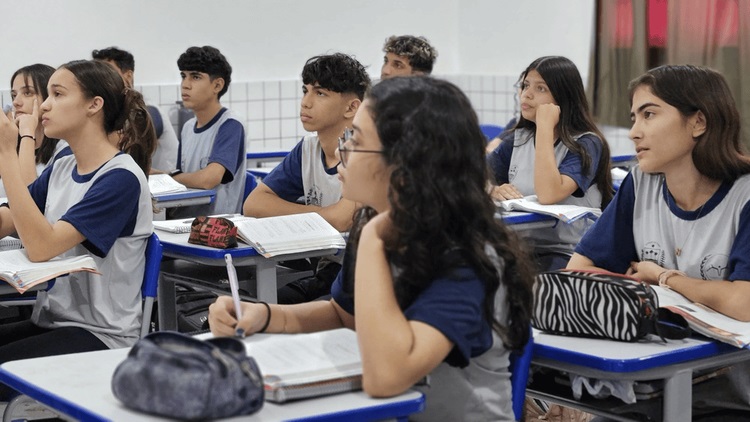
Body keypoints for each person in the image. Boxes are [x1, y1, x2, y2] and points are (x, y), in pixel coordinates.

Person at [210, 76, 535, 421]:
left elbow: (387, 378)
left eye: (355, 139)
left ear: (405, 165)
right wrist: (266, 315)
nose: (340, 151)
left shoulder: (467, 258)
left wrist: (375, 238)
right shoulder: (375, 224)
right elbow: (344, 316)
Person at [569, 64, 750, 421]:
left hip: (733, 397)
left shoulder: (744, 195)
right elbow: (580, 271)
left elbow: (743, 303)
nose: (635, 132)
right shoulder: (640, 184)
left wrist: (664, 279)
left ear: (698, 122)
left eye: (649, 115)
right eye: (633, 118)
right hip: (648, 388)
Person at [0, 60, 155, 368]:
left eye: (57, 94)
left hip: (101, 337)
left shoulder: (120, 178)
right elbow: (10, 218)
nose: (44, 106)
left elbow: (41, 246)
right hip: (53, 321)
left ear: (94, 105)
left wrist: (7, 154)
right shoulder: (63, 165)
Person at [244, 53, 370, 304]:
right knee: (245, 310)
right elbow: (254, 205)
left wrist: (305, 215)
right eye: (305, 90)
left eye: (320, 93)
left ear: (351, 107)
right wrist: (320, 212)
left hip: (362, 279)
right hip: (327, 273)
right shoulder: (307, 149)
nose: (306, 102)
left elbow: (343, 218)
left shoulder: (367, 150)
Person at [488, 56, 613, 271]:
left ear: (563, 97)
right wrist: (492, 189)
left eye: (541, 88)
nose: (527, 94)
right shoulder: (518, 138)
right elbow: (470, 177)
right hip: (523, 247)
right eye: (526, 85)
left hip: (570, 252)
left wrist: (545, 127)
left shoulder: (587, 143)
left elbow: (548, 194)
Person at [169, 45, 246, 218]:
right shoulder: (188, 128)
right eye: (183, 76)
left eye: (195, 77)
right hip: (183, 223)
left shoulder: (230, 124)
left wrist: (170, 178)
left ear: (217, 85)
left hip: (214, 229)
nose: (185, 85)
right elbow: (183, 177)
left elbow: (208, 180)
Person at [92, 46, 179, 174]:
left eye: (108, 73)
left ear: (128, 76)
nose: (102, 80)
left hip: (166, 186)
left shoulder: (147, 110)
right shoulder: (115, 111)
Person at [3, 64, 72, 196]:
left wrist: (27, 134)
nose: (16, 102)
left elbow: (30, 198)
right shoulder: (13, 141)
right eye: (14, 95)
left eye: (27, 93)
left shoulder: (65, 151)